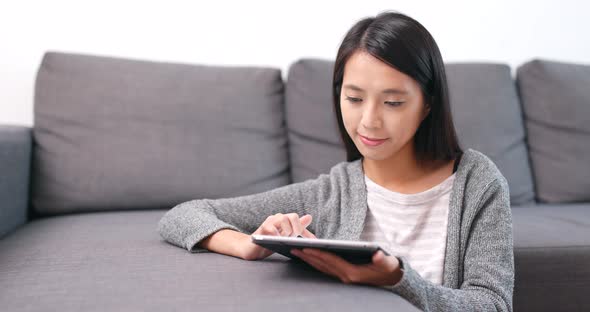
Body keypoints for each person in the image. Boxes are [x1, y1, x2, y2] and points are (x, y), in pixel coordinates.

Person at [157, 11, 514, 312]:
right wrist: (248, 245)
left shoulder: (477, 183)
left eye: (392, 103)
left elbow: (492, 304)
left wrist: (399, 280)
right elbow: (183, 215)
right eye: (355, 98)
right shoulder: (331, 193)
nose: (369, 121)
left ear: (428, 104)